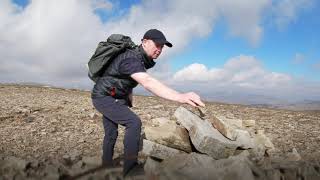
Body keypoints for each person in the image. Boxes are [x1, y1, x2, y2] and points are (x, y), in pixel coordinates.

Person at [91, 29, 205, 176]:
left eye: (162, 47)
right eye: (157, 45)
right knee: (133, 123)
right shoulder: (131, 59)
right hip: (103, 97)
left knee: (111, 131)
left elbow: (122, 78)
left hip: (112, 95)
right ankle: (130, 169)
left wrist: (127, 97)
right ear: (144, 42)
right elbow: (147, 82)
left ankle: (105, 165)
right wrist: (180, 96)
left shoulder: (139, 58)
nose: (159, 50)